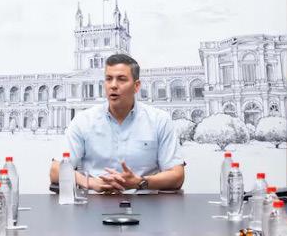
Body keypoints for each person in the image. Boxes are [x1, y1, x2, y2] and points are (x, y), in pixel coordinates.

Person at [48, 53, 185, 192]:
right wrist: (90, 182)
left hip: (144, 201)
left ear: (136, 86)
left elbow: (177, 176)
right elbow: (55, 170)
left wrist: (139, 182)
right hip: (96, 201)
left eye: (121, 79)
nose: (113, 85)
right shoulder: (83, 121)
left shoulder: (159, 120)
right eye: (108, 79)